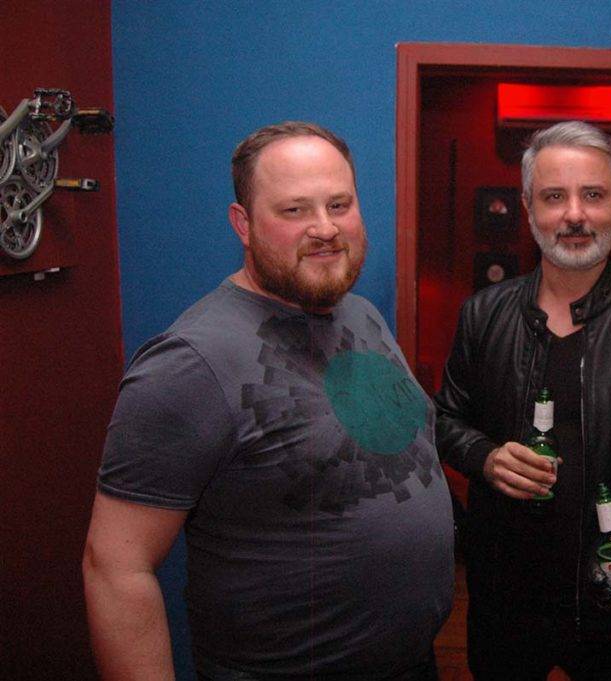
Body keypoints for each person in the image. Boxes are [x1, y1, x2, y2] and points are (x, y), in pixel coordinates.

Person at [82, 121, 454, 680]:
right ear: (244, 224)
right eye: (294, 210)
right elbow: (115, 568)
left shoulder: (361, 314)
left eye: (339, 204)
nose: (325, 228)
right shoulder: (189, 362)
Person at [435, 121, 611, 680]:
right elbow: (445, 420)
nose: (575, 214)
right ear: (528, 207)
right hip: (505, 599)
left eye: (593, 195)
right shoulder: (482, 314)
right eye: (555, 196)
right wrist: (485, 457)